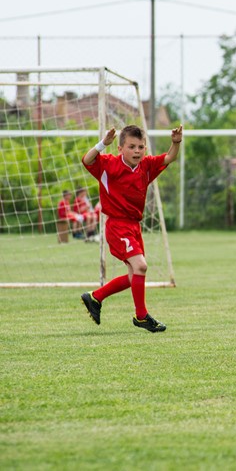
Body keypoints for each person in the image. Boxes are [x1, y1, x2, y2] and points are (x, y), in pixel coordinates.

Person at [79, 124, 182, 333]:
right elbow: (87, 160)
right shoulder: (109, 164)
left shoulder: (146, 165)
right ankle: (141, 316)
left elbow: (169, 157)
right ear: (120, 149)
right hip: (117, 225)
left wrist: (176, 142)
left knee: (133, 274)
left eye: (141, 147)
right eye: (132, 146)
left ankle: (95, 297)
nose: (137, 151)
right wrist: (102, 144)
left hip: (134, 226)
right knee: (141, 266)